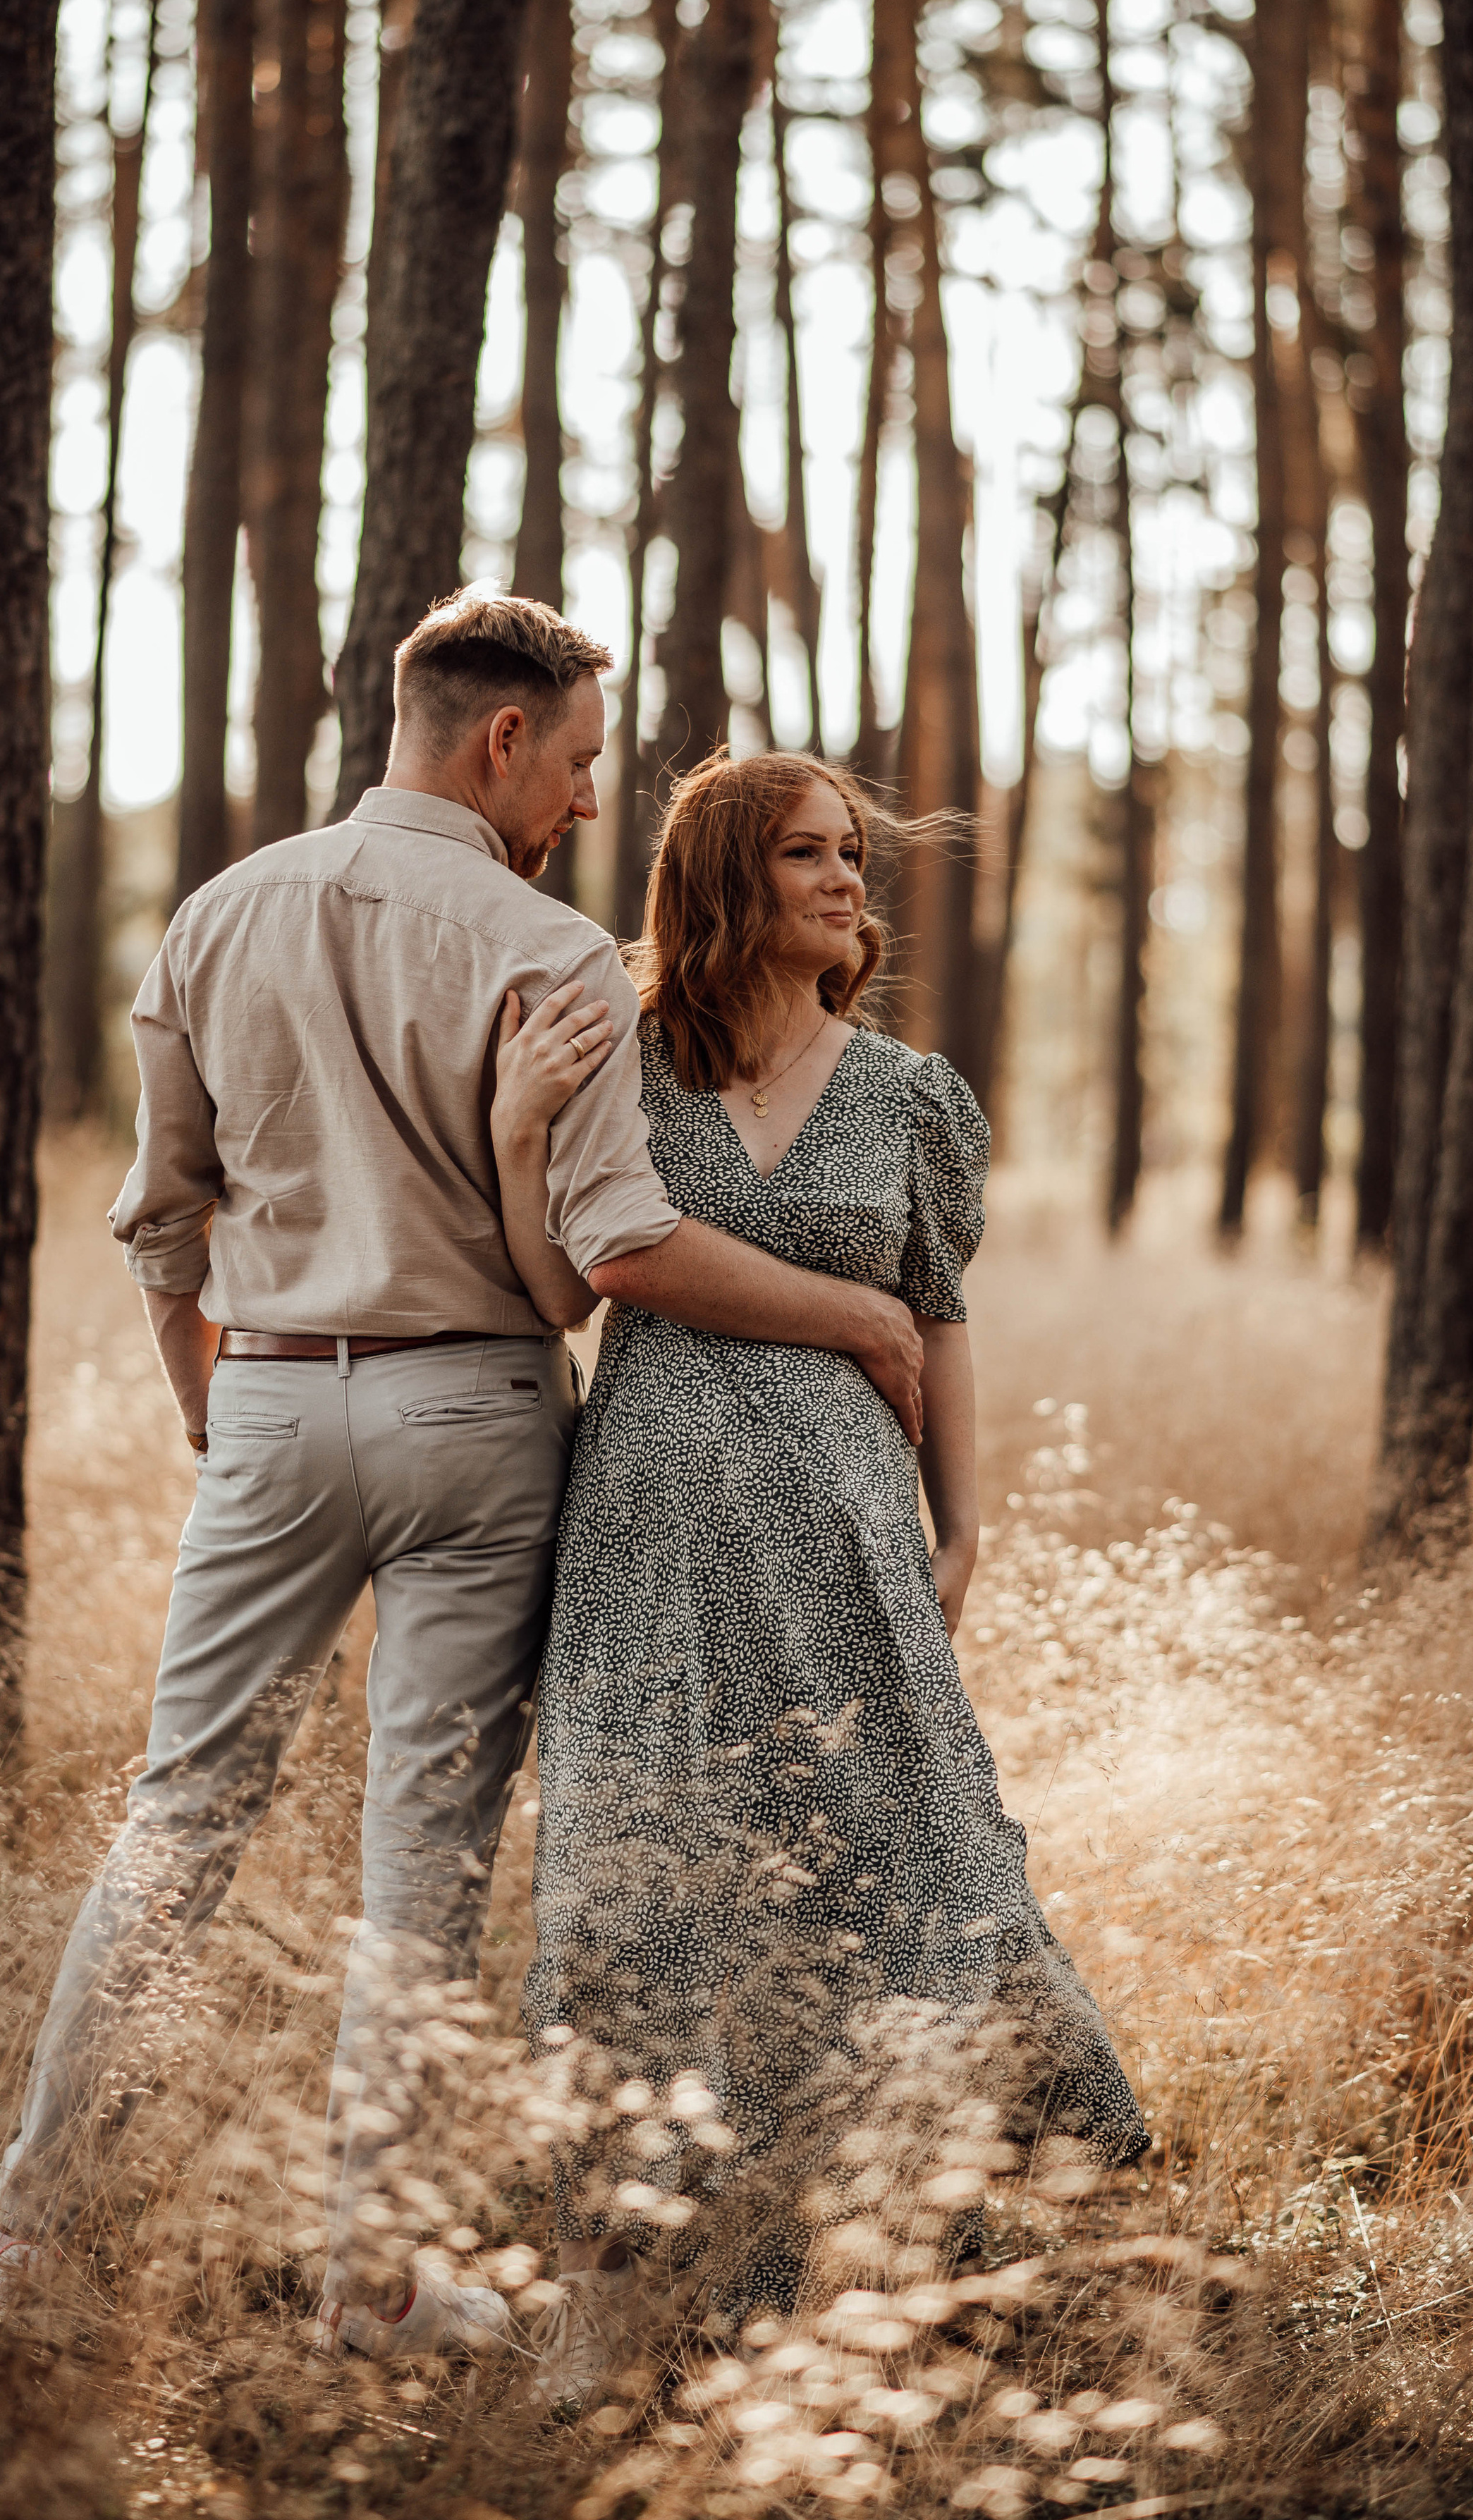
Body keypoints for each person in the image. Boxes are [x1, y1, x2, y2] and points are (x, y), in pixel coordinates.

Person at [0, 595, 930, 2359]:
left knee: (179, 1820)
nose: (587, 806)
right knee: (423, 1868)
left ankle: (21, 2222)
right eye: (583, 765)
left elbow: (162, 1219)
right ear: (500, 742)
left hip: (271, 1408)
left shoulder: (216, 920)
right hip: (477, 1421)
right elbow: (616, 1240)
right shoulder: (546, 954)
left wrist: (216, 1412)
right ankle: (367, 2284)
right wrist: (868, 1316)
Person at [489, 750, 1149, 2404]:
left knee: (918, 1855)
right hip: (648, 1542)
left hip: (850, 1534)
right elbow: (560, 1292)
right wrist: (515, 1137)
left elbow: (936, 1311)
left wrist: (964, 1521)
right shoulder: (622, 1063)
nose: (849, 880)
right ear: (724, 879)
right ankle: (610, 2304)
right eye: (807, 854)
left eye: (851, 853)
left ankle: (1026, 2238)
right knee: (639, 1898)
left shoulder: (908, 1093)